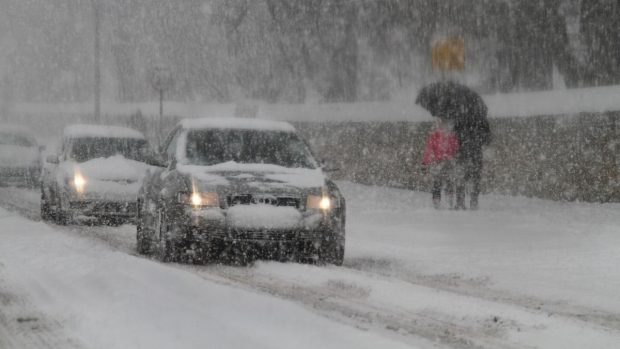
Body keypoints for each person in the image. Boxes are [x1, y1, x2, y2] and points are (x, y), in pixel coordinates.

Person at [453, 112, 491, 210]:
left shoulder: (461, 117)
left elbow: (455, 135)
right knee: (473, 179)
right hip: (473, 153)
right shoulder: (481, 120)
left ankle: (462, 202)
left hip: (465, 153)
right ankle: (471, 202)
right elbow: (487, 139)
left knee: (464, 178)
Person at [422, 118, 460, 209]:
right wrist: (425, 162)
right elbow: (430, 150)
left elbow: (456, 148)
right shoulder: (439, 136)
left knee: (442, 183)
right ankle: (441, 202)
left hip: (442, 162)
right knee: (441, 183)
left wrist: (425, 162)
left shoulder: (444, 136)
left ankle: (443, 202)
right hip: (442, 162)